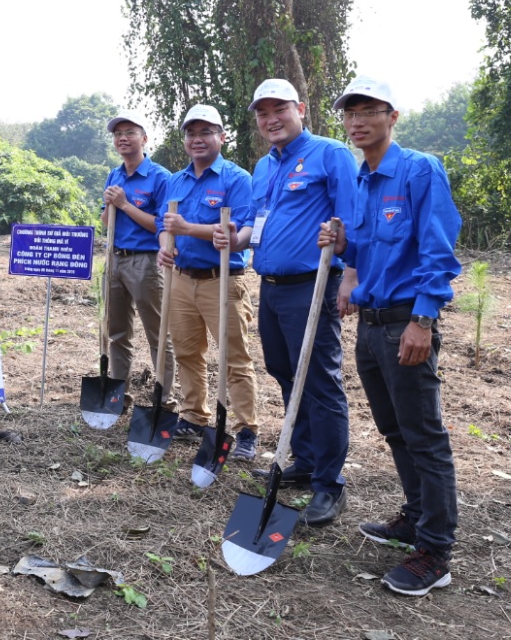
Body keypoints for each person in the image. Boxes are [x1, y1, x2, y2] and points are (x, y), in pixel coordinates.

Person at [320, 75, 462, 596]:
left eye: (368, 111)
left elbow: (438, 250)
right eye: (349, 113)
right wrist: (340, 247)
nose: (357, 121)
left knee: (424, 435)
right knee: (395, 430)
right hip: (371, 324)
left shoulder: (418, 170)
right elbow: (362, 252)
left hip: (407, 322)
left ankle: (435, 551)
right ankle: (416, 517)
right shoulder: (361, 180)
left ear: (392, 116)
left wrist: (423, 321)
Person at [248, 78, 357, 527]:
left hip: (312, 287)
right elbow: (259, 223)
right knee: (284, 372)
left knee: (320, 382)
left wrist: (350, 273)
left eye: (280, 109)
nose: (271, 119)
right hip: (270, 287)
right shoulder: (262, 167)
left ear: (302, 109)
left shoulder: (330, 155)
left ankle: (329, 485)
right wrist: (232, 238)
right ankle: (307, 461)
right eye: (262, 112)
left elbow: (351, 218)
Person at [157, 104, 260, 459]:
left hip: (223, 281)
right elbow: (163, 226)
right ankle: (194, 416)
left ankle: (246, 430)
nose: (197, 139)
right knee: (187, 353)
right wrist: (163, 248)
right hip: (182, 279)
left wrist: (188, 229)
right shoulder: (176, 180)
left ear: (222, 136)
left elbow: (241, 230)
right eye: (191, 133)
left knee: (234, 358)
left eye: (205, 132)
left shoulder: (237, 179)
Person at [101, 111, 174, 405]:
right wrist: (110, 206)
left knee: (158, 335)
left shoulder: (160, 177)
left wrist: (125, 204)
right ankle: (119, 395)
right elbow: (106, 222)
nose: (123, 138)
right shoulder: (114, 175)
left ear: (144, 139)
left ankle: (163, 400)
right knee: (117, 333)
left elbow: (163, 224)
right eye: (118, 134)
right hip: (115, 260)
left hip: (146, 262)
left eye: (130, 132)